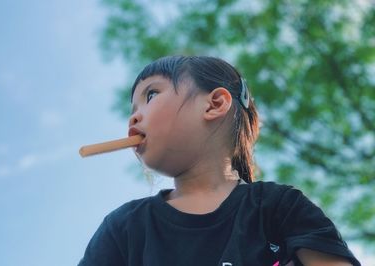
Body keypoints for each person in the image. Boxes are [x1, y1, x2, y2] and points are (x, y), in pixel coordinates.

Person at [78, 55, 360, 265]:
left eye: (151, 94)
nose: (134, 117)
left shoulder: (278, 207)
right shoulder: (124, 227)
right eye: (133, 108)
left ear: (214, 104)